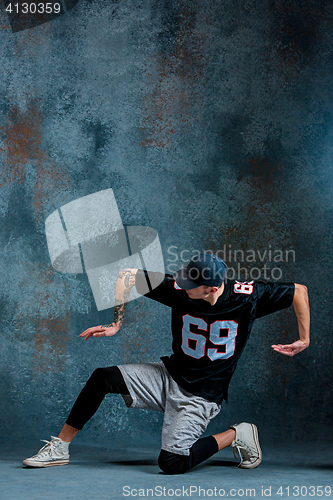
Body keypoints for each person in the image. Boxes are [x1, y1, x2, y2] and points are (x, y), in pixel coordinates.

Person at [23, 253, 310, 473]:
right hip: (168, 376)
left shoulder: (248, 297)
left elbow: (299, 291)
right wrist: (115, 324)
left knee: (172, 462)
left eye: (190, 286)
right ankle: (60, 448)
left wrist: (304, 339)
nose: (181, 288)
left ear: (211, 289)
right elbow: (127, 275)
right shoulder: (177, 288)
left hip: (202, 395)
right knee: (102, 377)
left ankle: (237, 433)